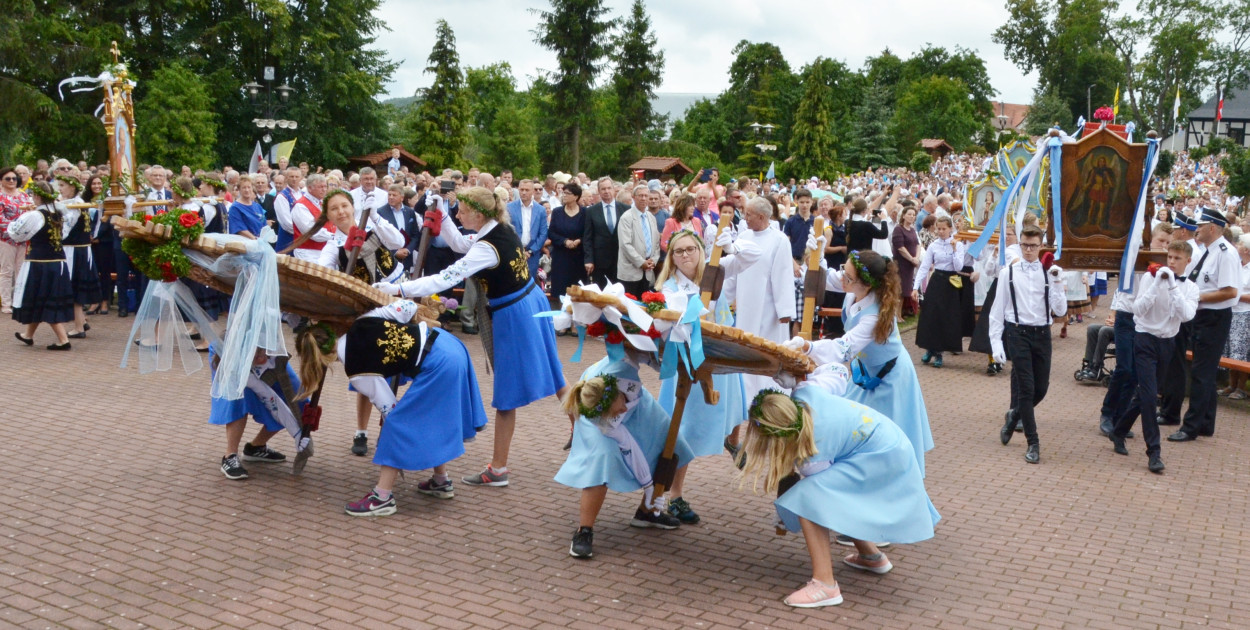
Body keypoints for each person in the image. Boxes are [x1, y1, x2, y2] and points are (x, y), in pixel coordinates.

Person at [375, 187, 568, 486]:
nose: (458, 214)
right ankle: (582, 431)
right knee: (556, 377)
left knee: (507, 394)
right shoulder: (499, 228)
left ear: (478, 214)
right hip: (530, 301)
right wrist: (442, 212)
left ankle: (499, 469)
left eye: (462, 210)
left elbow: (446, 277)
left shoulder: (487, 246)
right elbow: (460, 242)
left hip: (514, 313)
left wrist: (399, 289)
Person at [738, 385, 939, 608]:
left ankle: (825, 585)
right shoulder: (803, 397)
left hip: (883, 459)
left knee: (810, 500)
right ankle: (871, 555)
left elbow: (823, 499)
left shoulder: (814, 451)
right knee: (833, 495)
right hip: (890, 447)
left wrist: (790, 507)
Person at [295, 301, 489, 514]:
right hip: (448, 343)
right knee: (426, 416)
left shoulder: (357, 372)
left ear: (316, 359)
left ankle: (382, 496)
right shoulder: (362, 322)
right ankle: (441, 481)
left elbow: (391, 410)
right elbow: (406, 306)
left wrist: (398, 439)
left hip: (439, 363)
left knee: (397, 423)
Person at [793, 245, 934, 477]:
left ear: (867, 284)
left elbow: (842, 349)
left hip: (891, 378)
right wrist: (814, 253)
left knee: (889, 436)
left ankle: (891, 484)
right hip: (864, 373)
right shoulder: (854, 285)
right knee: (853, 426)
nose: (842, 279)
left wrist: (807, 346)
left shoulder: (875, 315)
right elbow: (826, 277)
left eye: (848, 277)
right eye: (843, 271)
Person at [654, 227, 760, 523]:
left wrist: (731, 246)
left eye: (691, 249)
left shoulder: (715, 270)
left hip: (721, 363)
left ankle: (730, 441)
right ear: (672, 258)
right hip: (689, 368)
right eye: (679, 251)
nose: (686, 255)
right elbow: (675, 323)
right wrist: (698, 308)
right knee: (682, 431)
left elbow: (754, 256)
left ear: (701, 251)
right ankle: (671, 495)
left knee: (730, 413)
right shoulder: (669, 288)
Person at [556, 350, 696, 558]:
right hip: (598, 412)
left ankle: (646, 513)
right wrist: (649, 487)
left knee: (675, 443)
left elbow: (639, 349)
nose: (621, 411)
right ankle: (584, 531)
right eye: (618, 410)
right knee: (602, 459)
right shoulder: (603, 414)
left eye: (620, 407)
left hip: (635, 402)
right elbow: (631, 451)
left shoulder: (623, 371)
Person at [1107, 240, 1199, 473]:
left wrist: (1172, 288)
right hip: (1145, 339)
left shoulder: (1191, 288)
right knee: (1149, 397)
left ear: (1187, 261)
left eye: (1177, 258)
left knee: (1145, 395)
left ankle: (1118, 430)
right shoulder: (1151, 278)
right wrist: (1157, 284)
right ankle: (1154, 452)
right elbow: (1138, 309)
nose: (1171, 262)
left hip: (1168, 342)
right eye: (1170, 257)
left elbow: (1186, 315)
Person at [990, 225, 1067, 463]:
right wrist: (996, 345)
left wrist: (1055, 283)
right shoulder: (1008, 273)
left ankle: (1013, 417)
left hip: (1043, 333)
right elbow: (997, 311)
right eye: (1025, 245)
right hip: (1018, 332)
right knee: (1026, 387)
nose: (1029, 250)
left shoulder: (1050, 272)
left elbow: (1061, 310)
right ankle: (1033, 442)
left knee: (1041, 388)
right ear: (1020, 244)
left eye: (1033, 246)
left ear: (1040, 246)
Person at [1168, 208, 1242, 443]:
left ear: (1212, 227)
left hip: (1214, 319)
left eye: (1200, 225)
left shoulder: (1225, 253)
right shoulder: (1210, 251)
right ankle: (1205, 423)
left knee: (1201, 374)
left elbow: (1231, 291)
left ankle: (1190, 427)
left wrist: (1196, 297)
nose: (1196, 229)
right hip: (1204, 318)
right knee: (1204, 374)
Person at [1097, 223, 1173, 435]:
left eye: (1168, 243)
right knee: (1124, 367)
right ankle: (1107, 413)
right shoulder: (1135, 254)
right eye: (1160, 241)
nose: (1164, 247)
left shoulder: (1166, 266)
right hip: (1127, 316)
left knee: (1136, 373)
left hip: (1145, 322)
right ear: (1150, 240)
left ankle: (1121, 417)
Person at [727, 197, 797, 420]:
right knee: (747, 346)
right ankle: (747, 395)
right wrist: (725, 294)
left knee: (767, 347)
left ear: (762, 217)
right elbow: (735, 266)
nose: (744, 218)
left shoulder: (779, 240)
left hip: (769, 306)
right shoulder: (744, 235)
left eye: (748, 214)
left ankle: (770, 395)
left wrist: (785, 310)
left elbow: (783, 274)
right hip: (746, 301)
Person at [209, 346, 305, 481]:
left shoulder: (267, 351)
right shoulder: (235, 361)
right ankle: (230, 455)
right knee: (238, 399)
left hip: (268, 345)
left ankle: (255, 447)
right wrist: (297, 434)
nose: (261, 358)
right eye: (257, 356)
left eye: (261, 354)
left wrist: (300, 435)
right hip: (233, 353)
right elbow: (272, 401)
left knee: (299, 397)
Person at [7, 181, 72, 349]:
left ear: (36, 196)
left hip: (40, 264)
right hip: (58, 262)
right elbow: (64, 235)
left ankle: (64, 340)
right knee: (39, 298)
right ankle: (28, 335)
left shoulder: (36, 215)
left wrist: (15, 220)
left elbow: (16, 234)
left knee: (45, 299)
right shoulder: (58, 213)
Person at [912, 216, 974, 368]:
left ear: (950, 229)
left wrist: (954, 249)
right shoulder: (934, 245)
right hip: (937, 280)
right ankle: (930, 349)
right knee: (931, 315)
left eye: (943, 229)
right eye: (938, 229)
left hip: (951, 282)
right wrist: (915, 287)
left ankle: (940, 352)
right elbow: (925, 266)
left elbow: (959, 267)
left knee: (945, 317)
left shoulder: (958, 245)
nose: (940, 232)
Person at [54, 175, 99, 339]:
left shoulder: (74, 205)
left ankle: (79, 327)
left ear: (72, 188)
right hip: (79, 249)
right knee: (74, 286)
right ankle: (81, 321)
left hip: (74, 250)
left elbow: (64, 231)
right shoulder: (75, 203)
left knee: (72, 286)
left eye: (62, 185)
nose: (60, 189)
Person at [1218, 234, 1250, 399]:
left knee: (1241, 350)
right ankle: (1231, 385)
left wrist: (1234, 295)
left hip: (1245, 314)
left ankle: (1241, 388)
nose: (1236, 246)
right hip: (1231, 311)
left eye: (1239, 244)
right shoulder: (1237, 264)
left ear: (1246, 249)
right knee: (1230, 349)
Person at [615, 191, 660, 298]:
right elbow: (625, 245)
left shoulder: (651, 218)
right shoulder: (626, 217)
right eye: (641, 195)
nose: (644, 198)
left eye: (646, 195)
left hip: (648, 272)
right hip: (631, 272)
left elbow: (656, 243)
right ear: (634, 197)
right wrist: (641, 262)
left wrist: (653, 260)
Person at [548, 182, 587, 303]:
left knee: (578, 292)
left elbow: (588, 232)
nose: (564, 195)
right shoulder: (557, 212)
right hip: (561, 257)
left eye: (567, 193)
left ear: (576, 196)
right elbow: (552, 233)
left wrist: (579, 240)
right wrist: (565, 241)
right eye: (563, 193)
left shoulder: (585, 213)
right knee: (561, 292)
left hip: (578, 258)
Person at [0, 168, 32, 315]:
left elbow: (31, 214)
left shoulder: (24, 196)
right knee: (6, 271)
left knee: (21, 270)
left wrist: (25, 230)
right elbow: (1, 219)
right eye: (8, 178)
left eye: (14, 178)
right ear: (1, 180)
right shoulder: (0, 197)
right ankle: (6, 303)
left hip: (24, 239)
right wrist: (14, 231)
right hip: (6, 239)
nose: (12, 181)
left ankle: (19, 301)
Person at [583, 177, 625, 287]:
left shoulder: (625, 209)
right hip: (600, 261)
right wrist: (589, 260)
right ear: (599, 191)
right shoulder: (591, 211)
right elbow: (587, 237)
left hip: (621, 260)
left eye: (609, 188)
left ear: (614, 189)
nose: (606, 191)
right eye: (603, 189)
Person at [506, 179, 548, 281]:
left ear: (533, 191)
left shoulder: (540, 210)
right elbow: (506, 231)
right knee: (512, 281)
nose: (524, 192)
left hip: (532, 254)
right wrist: (518, 250)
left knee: (529, 282)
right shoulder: (509, 207)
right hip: (513, 252)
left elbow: (543, 233)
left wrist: (530, 251)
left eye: (527, 190)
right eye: (521, 189)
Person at [375, 183, 419, 275]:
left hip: (407, 258)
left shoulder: (410, 212)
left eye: (394, 195)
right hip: (389, 259)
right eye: (389, 194)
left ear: (402, 198)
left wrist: (408, 250)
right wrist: (395, 252)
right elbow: (378, 238)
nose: (391, 197)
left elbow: (415, 235)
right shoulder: (380, 212)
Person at [891, 206, 920, 317]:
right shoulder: (899, 229)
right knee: (899, 289)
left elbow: (917, 244)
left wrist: (916, 258)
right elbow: (900, 247)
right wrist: (911, 258)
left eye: (913, 215)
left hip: (910, 265)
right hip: (901, 263)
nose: (912, 216)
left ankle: (899, 314)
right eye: (909, 214)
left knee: (905, 290)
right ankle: (895, 314)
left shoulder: (912, 230)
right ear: (903, 215)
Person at [272, 166, 303, 251]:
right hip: (288, 241)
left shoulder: (304, 194)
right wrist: (305, 232)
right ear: (286, 178)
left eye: (297, 177)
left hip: (303, 241)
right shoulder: (282, 196)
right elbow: (287, 223)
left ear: (301, 178)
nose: (294, 179)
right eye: (291, 176)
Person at [228, 175, 267, 240]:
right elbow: (239, 229)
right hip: (245, 243)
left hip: (261, 242)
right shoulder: (235, 208)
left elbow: (264, 225)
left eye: (249, 187)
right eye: (244, 188)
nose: (247, 190)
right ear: (239, 189)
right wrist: (255, 239)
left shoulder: (257, 206)